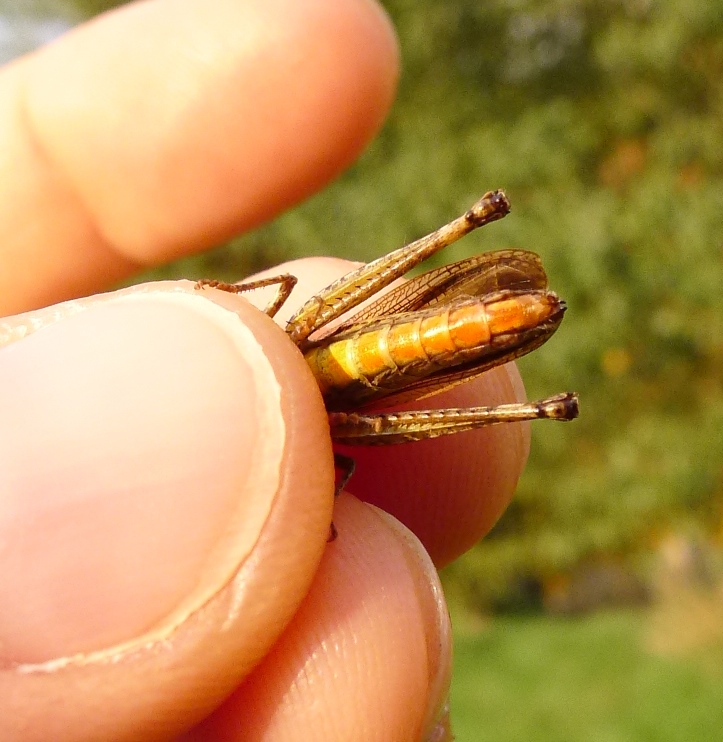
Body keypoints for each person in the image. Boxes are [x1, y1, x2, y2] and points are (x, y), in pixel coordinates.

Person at [0, 1, 530, 739]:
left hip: (320, 344)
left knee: (350, 298)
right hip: (355, 397)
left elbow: (281, 297)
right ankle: (515, 392)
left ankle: (467, 229)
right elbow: (323, 440)